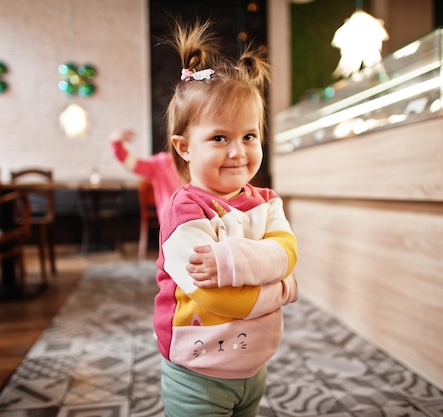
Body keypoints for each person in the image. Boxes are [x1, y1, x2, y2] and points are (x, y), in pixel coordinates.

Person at [153, 20, 298, 417]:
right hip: (197, 371)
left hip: (254, 365)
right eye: (220, 138)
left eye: (249, 136)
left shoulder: (266, 201)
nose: (238, 151)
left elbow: (286, 253)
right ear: (184, 147)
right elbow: (216, 296)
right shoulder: (185, 211)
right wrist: (282, 290)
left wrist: (231, 262)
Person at [110, 129, 181, 221]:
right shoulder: (161, 163)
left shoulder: (198, 163)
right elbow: (132, 164)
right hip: (171, 221)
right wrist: (116, 144)